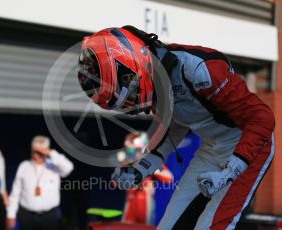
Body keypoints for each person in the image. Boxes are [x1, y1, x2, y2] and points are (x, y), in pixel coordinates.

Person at [77, 26, 275, 229]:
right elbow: (173, 127)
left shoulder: (199, 69)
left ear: (137, 60)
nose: (135, 104)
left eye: (131, 92)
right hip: (211, 148)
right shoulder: (151, 79)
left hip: (248, 144)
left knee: (211, 226)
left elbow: (262, 118)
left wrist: (231, 170)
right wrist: (139, 170)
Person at [6, 135, 74, 230]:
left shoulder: (54, 166)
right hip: (27, 215)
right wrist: (10, 214)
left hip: (49, 217)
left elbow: (69, 167)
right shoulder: (24, 166)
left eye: (40, 151)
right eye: (34, 150)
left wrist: (50, 152)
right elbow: (15, 193)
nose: (36, 154)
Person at [119, 132, 173, 225]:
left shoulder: (151, 160)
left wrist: (150, 168)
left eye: (135, 150)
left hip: (146, 203)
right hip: (131, 202)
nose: (132, 153)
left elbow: (169, 178)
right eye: (130, 150)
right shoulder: (127, 161)